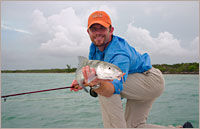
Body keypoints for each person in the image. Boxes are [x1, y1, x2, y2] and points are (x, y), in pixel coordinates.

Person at [70, 11, 193, 128]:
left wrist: (96, 84)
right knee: (133, 126)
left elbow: (112, 88)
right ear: (88, 32)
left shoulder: (119, 54)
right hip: (138, 82)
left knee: (104, 86)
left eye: (102, 28)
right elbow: (92, 73)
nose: (97, 33)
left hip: (150, 80)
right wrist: (82, 81)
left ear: (111, 30)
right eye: (93, 29)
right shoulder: (94, 47)